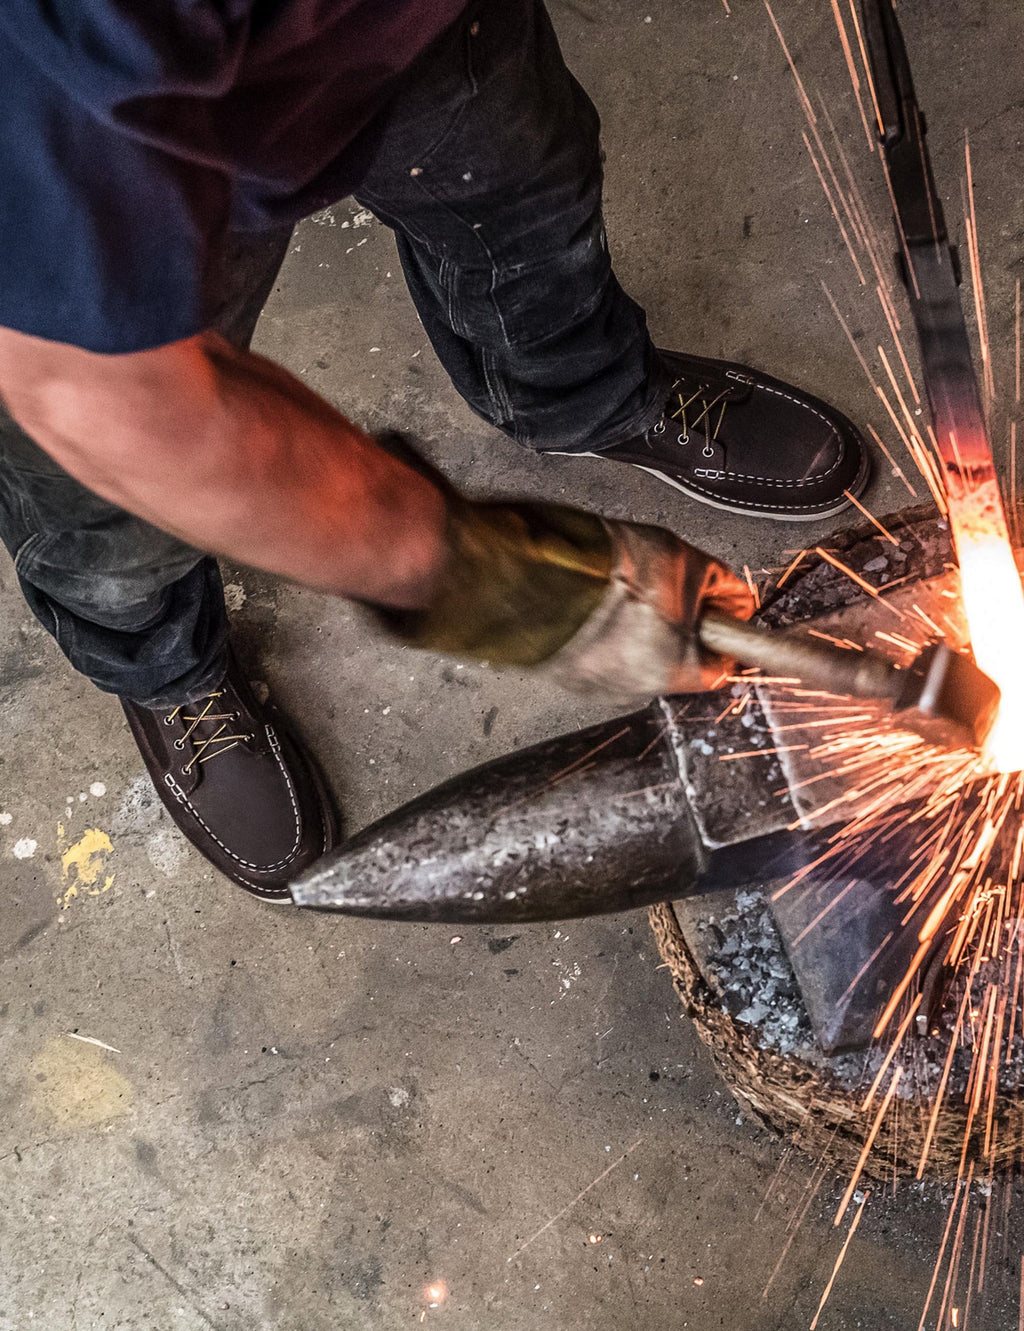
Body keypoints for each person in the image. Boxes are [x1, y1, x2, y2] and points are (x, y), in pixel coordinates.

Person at [0, 0, 869, 902]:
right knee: (114, 509)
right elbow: (96, 391)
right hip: (74, 183)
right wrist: (491, 583)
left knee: (524, 196)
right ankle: (161, 659)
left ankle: (581, 395)